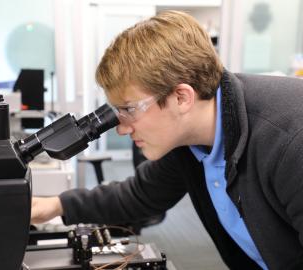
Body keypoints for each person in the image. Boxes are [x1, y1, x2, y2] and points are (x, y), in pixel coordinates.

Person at [31, 10, 303, 270]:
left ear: (181, 97)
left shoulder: (291, 143)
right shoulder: (189, 141)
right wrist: (53, 206)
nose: (122, 129)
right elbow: (141, 194)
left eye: (128, 109)